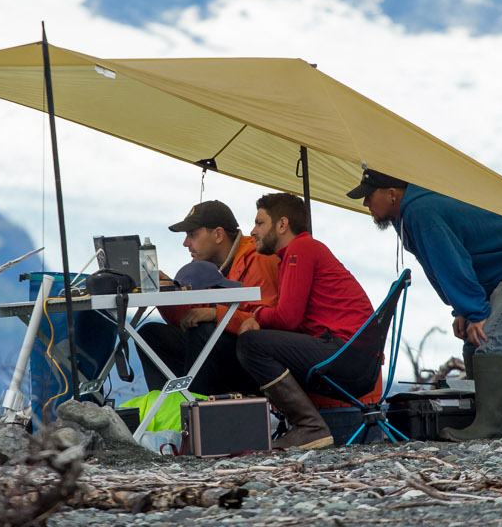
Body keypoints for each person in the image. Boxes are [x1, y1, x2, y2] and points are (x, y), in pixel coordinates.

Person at [348, 167, 502, 440]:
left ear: (392, 194)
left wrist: (473, 310)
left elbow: (451, 262)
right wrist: (463, 309)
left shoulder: (421, 211)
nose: (365, 202)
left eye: (369, 196)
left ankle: (490, 427)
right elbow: (443, 263)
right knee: (472, 337)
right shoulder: (406, 215)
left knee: (489, 338)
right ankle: (482, 419)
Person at [232, 192, 375, 451]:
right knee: (255, 345)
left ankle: (309, 428)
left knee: (251, 344)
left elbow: (288, 318)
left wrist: (256, 317)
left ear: (282, 224)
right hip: (356, 357)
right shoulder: (298, 252)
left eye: (260, 222)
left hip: (346, 355)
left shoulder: (301, 248)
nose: (252, 231)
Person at [134, 200, 278, 396]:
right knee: (150, 335)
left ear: (218, 234)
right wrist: (169, 290)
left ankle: (197, 413)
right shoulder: (209, 268)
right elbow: (190, 318)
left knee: (203, 331)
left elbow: (267, 322)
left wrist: (215, 314)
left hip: (253, 359)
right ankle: (169, 409)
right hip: (225, 350)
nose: (186, 243)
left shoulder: (258, 259)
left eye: (192, 235)